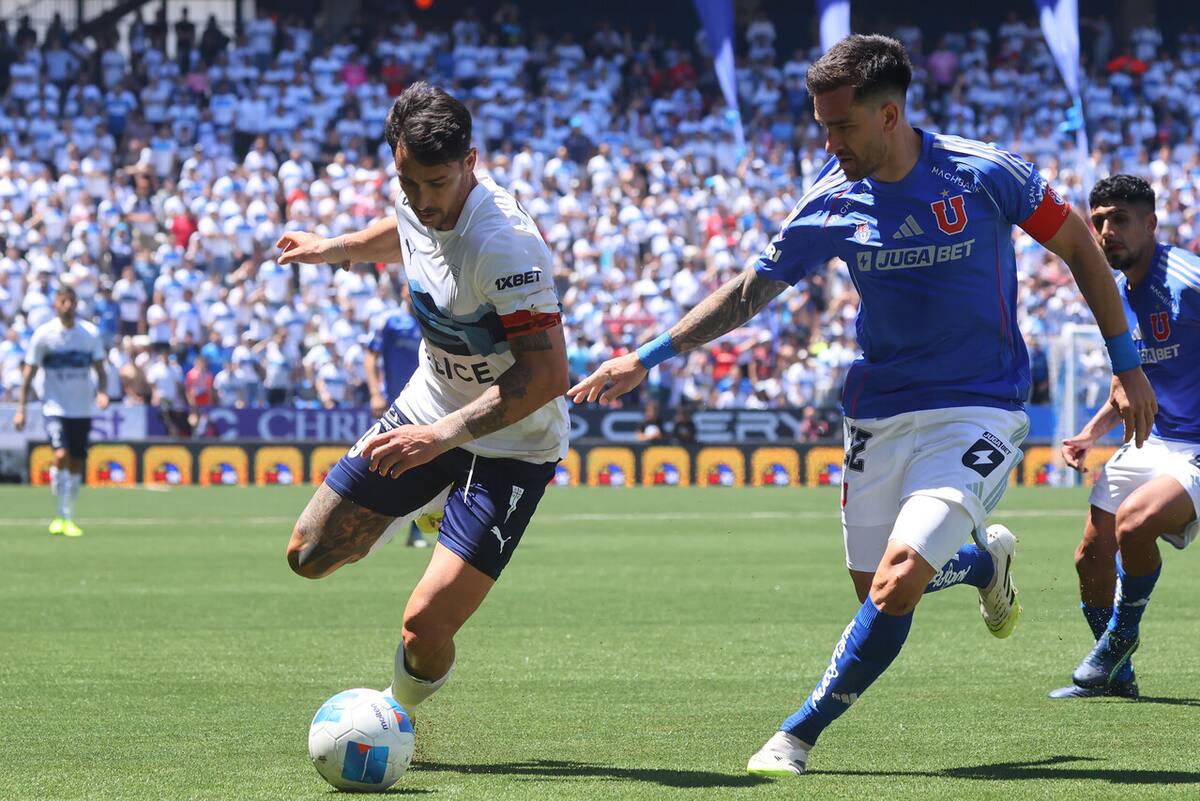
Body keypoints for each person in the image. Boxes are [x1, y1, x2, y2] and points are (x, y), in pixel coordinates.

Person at [568, 35, 1156, 776]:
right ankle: (983, 564)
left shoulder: (982, 173)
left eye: (841, 126)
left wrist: (1126, 364)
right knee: (875, 589)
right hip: (878, 414)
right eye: (821, 126)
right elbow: (750, 291)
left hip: (979, 409)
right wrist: (647, 355)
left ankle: (795, 736)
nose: (829, 143)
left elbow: (1077, 247)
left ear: (889, 115)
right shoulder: (831, 197)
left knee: (898, 579)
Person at [274, 82, 569, 718]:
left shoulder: (504, 246)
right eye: (408, 182)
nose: (422, 200)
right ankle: (435, 502)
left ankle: (398, 714)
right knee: (309, 556)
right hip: (428, 407)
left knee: (423, 628)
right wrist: (337, 249)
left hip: (511, 443)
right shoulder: (416, 197)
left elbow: (546, 376)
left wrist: (438, 440)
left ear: (471, 162)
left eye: (437, 183)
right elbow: (405, 229)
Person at [1050, 175, 1199, 699]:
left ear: (1151, 223)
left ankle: (1118, 640)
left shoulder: (1187, 281)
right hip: (1156, 440)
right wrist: (1090, 434)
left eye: (1119, 219)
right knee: (1091, 556)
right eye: (1098, 221)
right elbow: (1133, 383)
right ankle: (1116, 678)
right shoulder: (1116, 294)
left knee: (1135, 524)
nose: (1105, 231)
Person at [14, 284, 108, 537]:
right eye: (63, 301)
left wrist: (102, 392)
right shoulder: (44, 335)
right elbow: (28, 374)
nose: (67, 306)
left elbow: (101, 370)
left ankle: (67, 516)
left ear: (76, 304)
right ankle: (58, 504)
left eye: (71, 302)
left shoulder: (89, 334)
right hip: (54, 406)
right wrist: (21, 408)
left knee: (76, 461)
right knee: (61, 454)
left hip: (81, 408)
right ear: (55, 304)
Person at [366, 280, 429, 547]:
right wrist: (375, 393)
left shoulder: (432, 320)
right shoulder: (390, 321)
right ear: (403, 290)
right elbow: (371, 356)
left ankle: (416, 530)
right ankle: (375, 524)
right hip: (396, 404)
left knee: (421, 467)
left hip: (427, 404)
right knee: (382, 465)